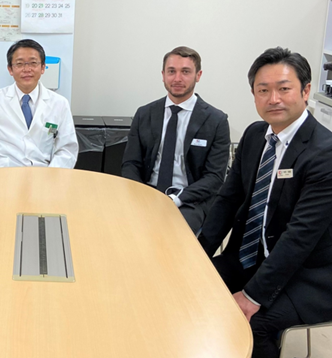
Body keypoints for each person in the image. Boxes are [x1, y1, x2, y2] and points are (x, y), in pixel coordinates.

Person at [198, 47, 332, 358]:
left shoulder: (324, 154)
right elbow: (227, 200)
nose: (274, 99)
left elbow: (299, 239)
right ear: (254, 94)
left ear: (306, 90)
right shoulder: (256, 134)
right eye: (263, 90)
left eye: (284, 89)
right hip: (252, 256)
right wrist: (198, 255)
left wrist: (252, 296)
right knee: (193, 289)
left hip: (309, 273)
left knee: (250, 323)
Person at [121, 46, 230, 233]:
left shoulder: (216, 120)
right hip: (147, 192)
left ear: (198, 75)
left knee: (170, 231)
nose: (177, 78)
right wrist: (141, 195)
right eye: (172, 71)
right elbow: (130, 164)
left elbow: (215, 177)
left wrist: (177, 198)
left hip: (190, 200)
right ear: (163, 75)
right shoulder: (145, 114)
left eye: (185, 72)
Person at [0, 39, 78, 169]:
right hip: (4, 175)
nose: (27, 69)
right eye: (19, 64)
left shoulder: (60, 104)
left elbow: (67, 150)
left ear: (43, 67)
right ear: (10, 69)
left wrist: (51, 178)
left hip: (43, 175)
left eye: (33, 63)